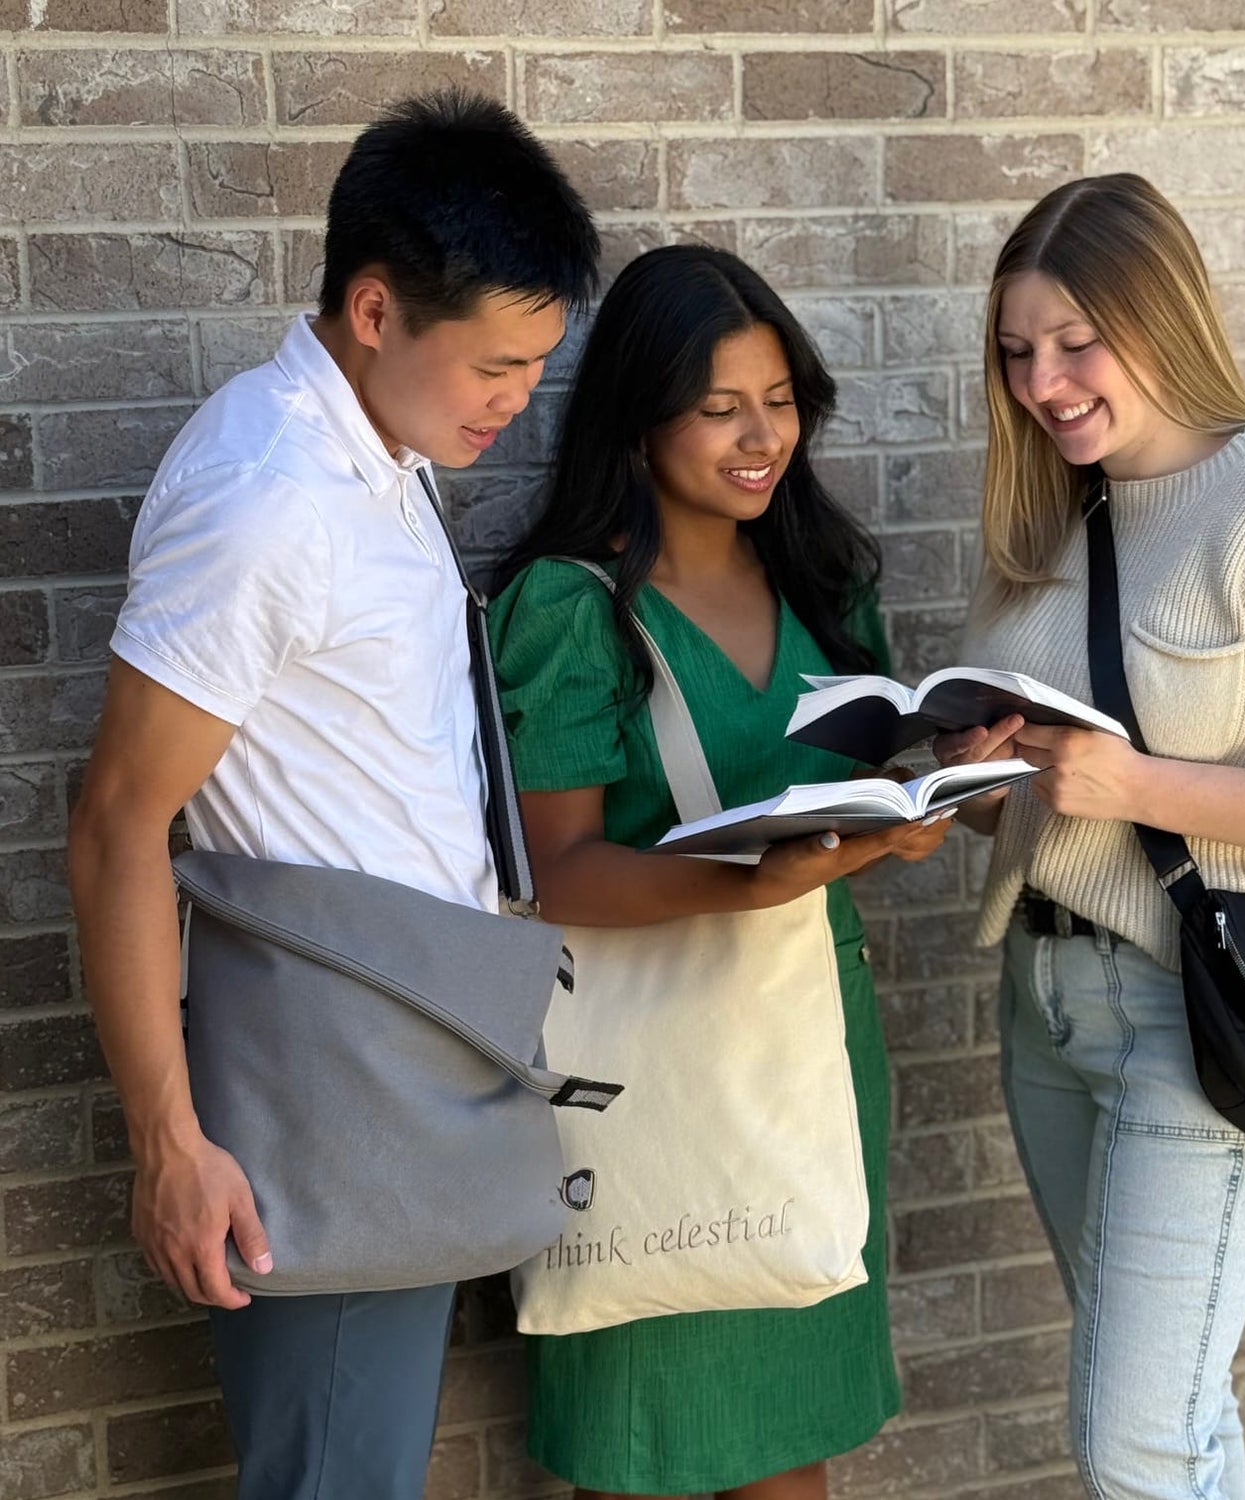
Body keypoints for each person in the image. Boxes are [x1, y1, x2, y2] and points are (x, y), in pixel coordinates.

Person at [66, 90, 598, 1500]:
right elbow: (118, 820)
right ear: (376, 311)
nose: (516, 400)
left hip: (401, 1046)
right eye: (494, 364)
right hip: (327, 1077)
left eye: (537, 365)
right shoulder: (271, 494)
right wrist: (169, 1145)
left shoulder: (381, 459)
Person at [934, 174, 1245, 1500]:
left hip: (1197, 1014)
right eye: (1015, 352)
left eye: (1073, 343)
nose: (1042, 383)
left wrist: (1138, 787)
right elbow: (1059, 785)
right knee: (1173, 1410)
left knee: (1135, 1440)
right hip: (1043, 1004)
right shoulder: (1046, 517)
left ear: (1158, 317)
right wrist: (975, 781)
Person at [488, 244, 949, 1500]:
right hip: (646, 1070)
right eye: (719, 407)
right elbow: (555, 868)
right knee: (646, 1458)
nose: (762, 438)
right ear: (638, 423)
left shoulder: (824, 576)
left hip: (809, 1040)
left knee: (786, 1442)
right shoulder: (568, 608)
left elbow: (854, 791)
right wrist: (748, 885)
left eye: (781, 399)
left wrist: (927, 794)